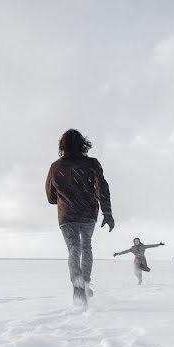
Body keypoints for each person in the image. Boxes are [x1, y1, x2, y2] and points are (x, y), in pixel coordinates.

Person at [46, 129, 115, 305]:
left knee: (74, 248)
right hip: (88, 213)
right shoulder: (92, 163)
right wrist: (107, 213)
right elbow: (103, 188)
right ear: (83, 144)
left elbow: (50, 197)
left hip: (67, 215)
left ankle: (78, 284)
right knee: (86, 247)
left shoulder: (55, 167)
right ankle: (84, 281)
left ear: (62, 145)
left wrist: (64, 199)